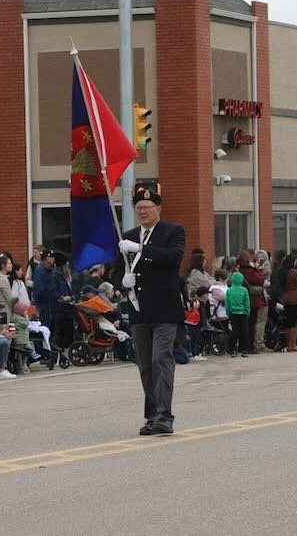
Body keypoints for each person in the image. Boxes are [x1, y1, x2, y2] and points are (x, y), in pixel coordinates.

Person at [112, 183, 186, 436]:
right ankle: (153, 415)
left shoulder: (172, 232)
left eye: (147, 207)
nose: (142, 211)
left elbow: (172, 258)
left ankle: (164, 415)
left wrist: (141, 249)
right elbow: (116, 270)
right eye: (139, 208)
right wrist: (122, 282)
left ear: (158, 209)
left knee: (161, 360)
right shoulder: (129, 236)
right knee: (145, 365)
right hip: (139, 309)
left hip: (164, 310)